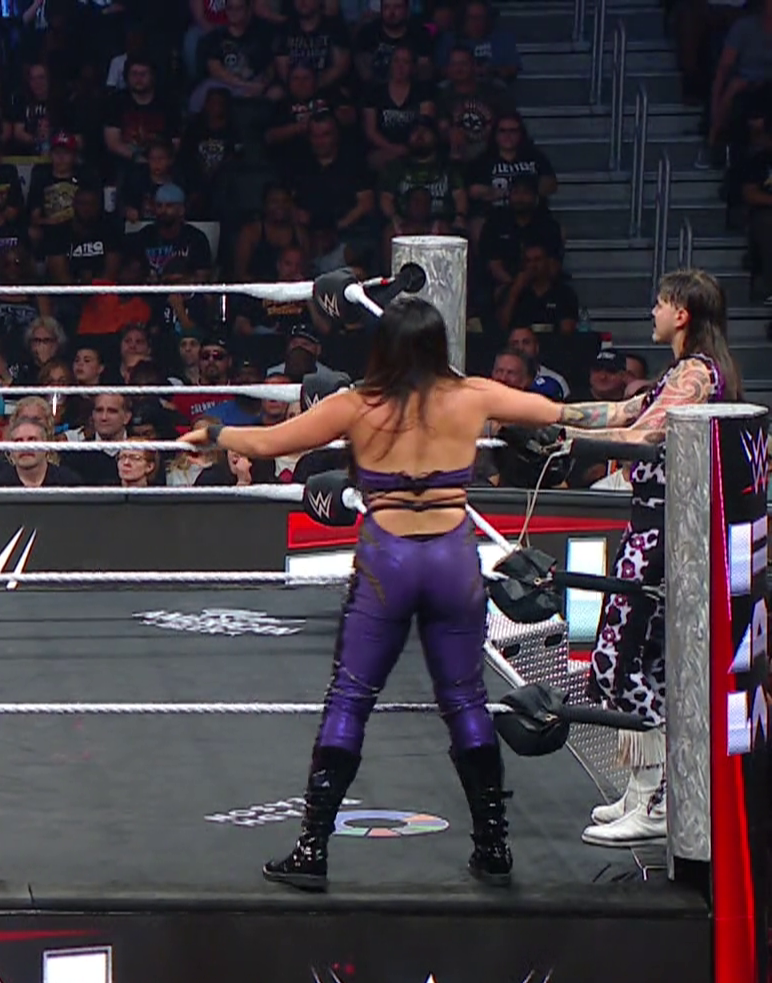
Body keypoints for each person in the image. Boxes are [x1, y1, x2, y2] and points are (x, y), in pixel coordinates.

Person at [180, 298, 569, 891]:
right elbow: (563, 413)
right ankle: (494, 848)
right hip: (451, 555)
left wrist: (214, 432)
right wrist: (638, 413)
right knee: (465, 698)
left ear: (383, 346)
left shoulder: (358, 405)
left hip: (389, 556)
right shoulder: (472, 396)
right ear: (437, 346)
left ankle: (312, 850)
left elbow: (270, 442)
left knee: (351, 697)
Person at [550, 268, 740, 846]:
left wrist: (570, 444)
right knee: (647, 661)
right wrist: (548, 415)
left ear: (681, 313)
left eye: (660, 303)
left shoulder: (697, 376)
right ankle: (645, 788)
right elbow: (620, 414)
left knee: (622, 658)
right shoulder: (682, 373)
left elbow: (645, 435)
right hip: (653, 528)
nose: (652, 313)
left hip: (665, 533)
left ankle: (661, 799)